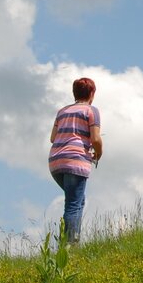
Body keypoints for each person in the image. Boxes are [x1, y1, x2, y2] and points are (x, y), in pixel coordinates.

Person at [48, 77, 103, 243]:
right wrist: (98, 153)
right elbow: (95, 139)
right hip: (75, 160)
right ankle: (70, 244)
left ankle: (70, 240)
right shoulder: (91, 111)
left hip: (56, 161)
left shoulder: (62, 111)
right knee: (73, 203)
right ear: (92, 93)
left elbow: (52, 138)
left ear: (74, 93)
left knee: (77, 200)